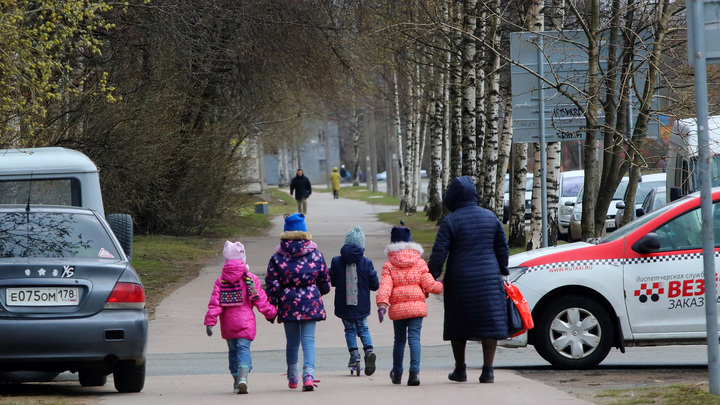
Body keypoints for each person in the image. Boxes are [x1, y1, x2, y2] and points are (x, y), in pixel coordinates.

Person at [427, 176, 510, 384]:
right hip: (489, 277)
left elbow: (439, 253)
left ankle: (460, 369)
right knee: (490, 322)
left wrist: (429, 277)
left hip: (459, 279)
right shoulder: (490, 217)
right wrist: (503, 270)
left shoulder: (451, 221)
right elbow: (502, 247)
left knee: (458, 323)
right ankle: (488, 370)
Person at [265, 213, 331, 391]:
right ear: (305, 232)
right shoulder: (316, 254)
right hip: (310, 301)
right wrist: (320, 291)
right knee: (309, 340)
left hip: (288, 303)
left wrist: (272, 302)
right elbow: (324, 279)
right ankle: (308, 375)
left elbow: (272, 283)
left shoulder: (277, 257)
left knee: (292, 341)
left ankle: (292, 377)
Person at [204, 241, 277, 394]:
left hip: (228, 324)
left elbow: (215, 303)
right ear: (243, 258)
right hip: (246, 321)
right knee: (244, 349)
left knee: (232, 352)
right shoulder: (250, 279)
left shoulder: (221, 281)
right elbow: (260, 299)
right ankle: (244, 376)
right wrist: (271, 313)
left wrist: (210, 322)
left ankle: (236, 380)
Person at [376, 227, 443, 386]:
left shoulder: (389, 265)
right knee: (415, 339)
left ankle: (397, 373)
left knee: (399, 341)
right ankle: (414, 373)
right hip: (416, 309)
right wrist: (440, 285)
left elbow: (385, 286)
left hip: (398, 310)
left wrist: (382, 304)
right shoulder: (419, 263)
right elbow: (429, 284)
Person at [329, 225, 379, 375]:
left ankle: (354, 357)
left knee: (350, 330)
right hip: (362, 304)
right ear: (362, 245)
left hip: (344, 305)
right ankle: (369, 351)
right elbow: (374, 285)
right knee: (363, 328)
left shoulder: (336, 261)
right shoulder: (367, 262)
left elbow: (332, 281)